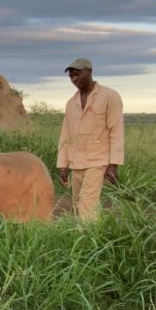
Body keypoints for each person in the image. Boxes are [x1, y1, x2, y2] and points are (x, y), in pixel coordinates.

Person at [56, 58, 124, 220]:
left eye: (77, 74)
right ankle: (87, 237)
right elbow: (66, 135)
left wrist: (113, 165)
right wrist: (62, 165)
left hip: (98, 161)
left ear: (89, 71)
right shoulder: (71, 103)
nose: (74, 79)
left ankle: (87, 242)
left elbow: (117, 131)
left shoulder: (110, 96)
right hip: (76, 162)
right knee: (76, 204)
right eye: (71, 76)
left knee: (87, 204)